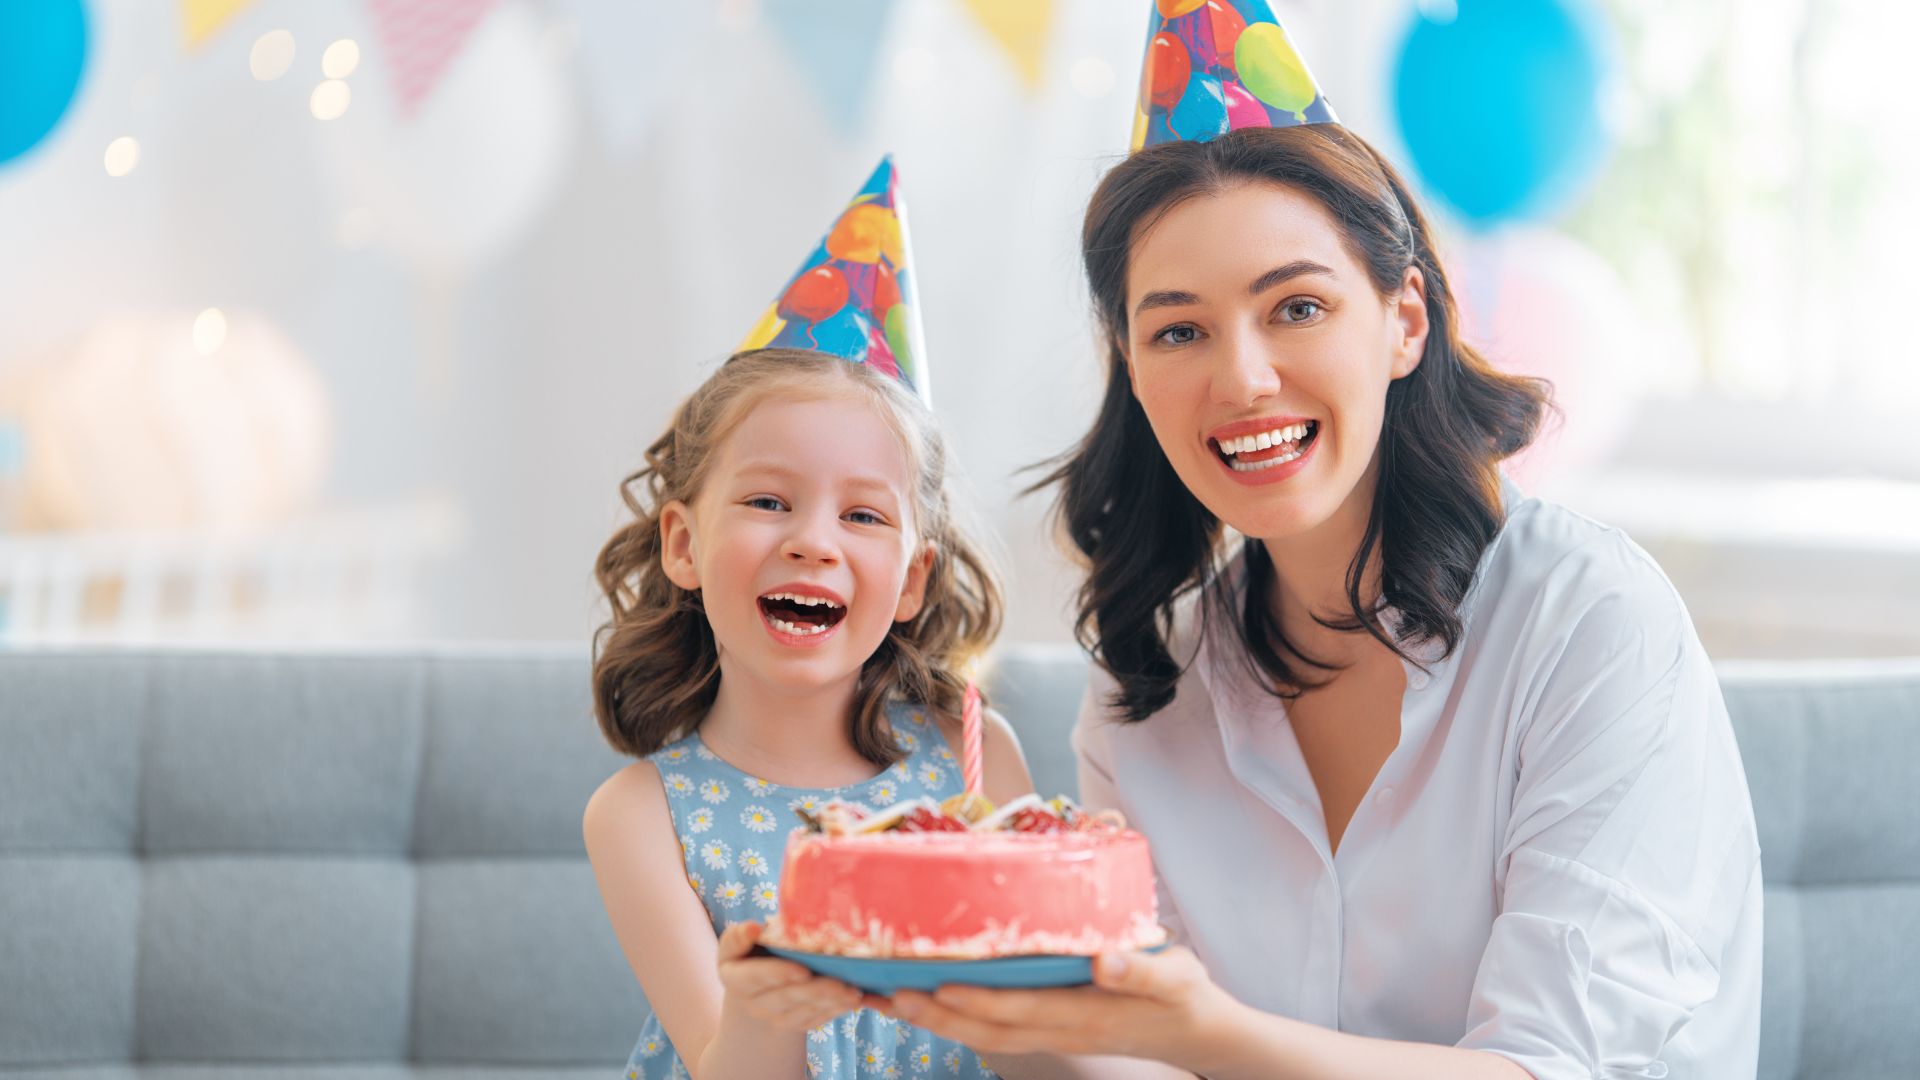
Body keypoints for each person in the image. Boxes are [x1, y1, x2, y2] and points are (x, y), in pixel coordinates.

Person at [875, 4, 1762, 1078]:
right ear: (1135, 370)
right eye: (1179, 330)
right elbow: (1134, 1058)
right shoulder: (1149, 693)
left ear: (1406, 320)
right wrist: (1007, 1010)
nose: (1242, 378)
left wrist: (1194, 1030)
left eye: (1295, 308)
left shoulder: (1589, 623)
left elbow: (1551, 1068)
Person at [582, 160, 1032, 1080]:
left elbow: (1038, 1033)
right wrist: (771, 999)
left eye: (862, 515)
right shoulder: (641, 815)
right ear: (682, 544)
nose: (815, 543)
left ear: (910, 582)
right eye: (768, 501)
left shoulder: (971, 754)